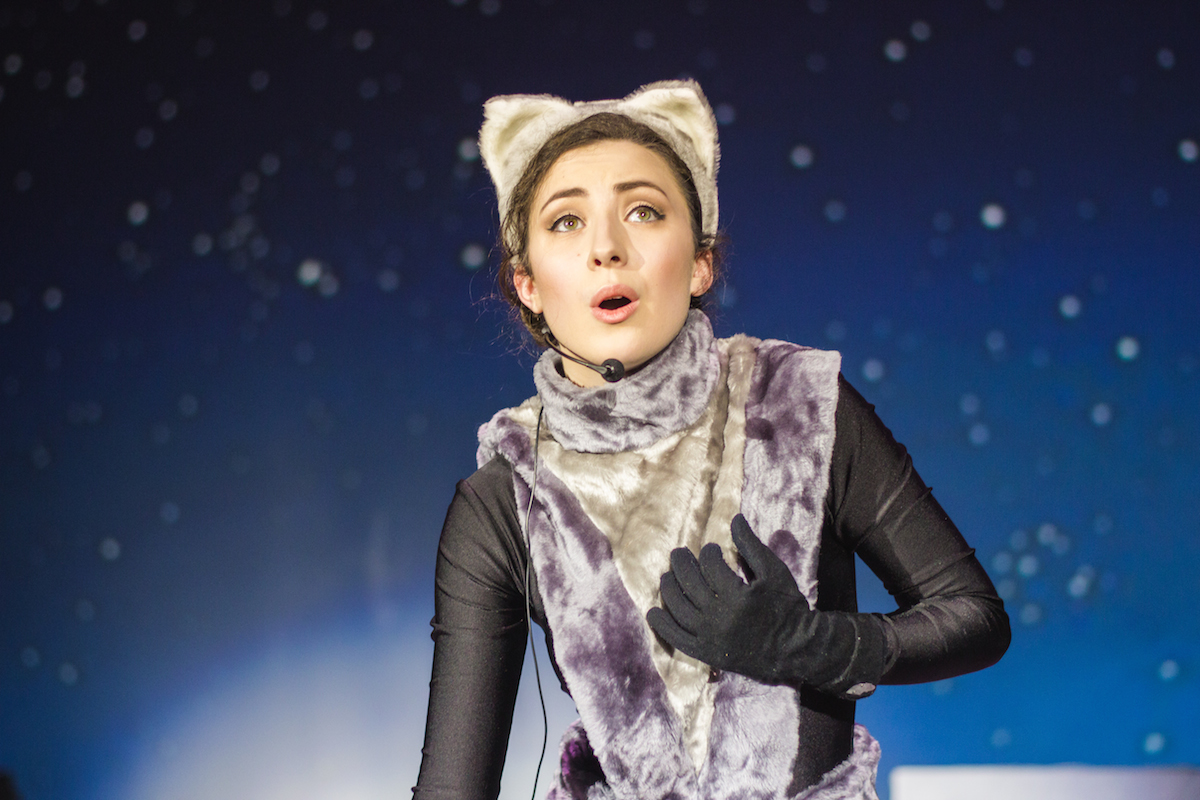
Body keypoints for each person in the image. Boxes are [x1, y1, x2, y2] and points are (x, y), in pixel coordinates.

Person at [413, 80, 1010, 800]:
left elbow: (975, 618)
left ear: (700, 263)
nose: (607, 248)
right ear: (527, 284)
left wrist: (813, 644)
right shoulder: (504, 499)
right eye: (566, 222)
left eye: (643, 211)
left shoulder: (801, 405)